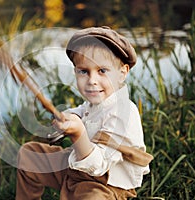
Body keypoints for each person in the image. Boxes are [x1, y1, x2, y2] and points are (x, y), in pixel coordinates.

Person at [15, 26, 150, 200]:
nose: (92, 81)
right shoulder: (96, 102)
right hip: (76, 168)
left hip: (106, 184)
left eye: (102, 71)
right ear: (75, 72)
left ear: (122, 73)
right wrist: (67, 118)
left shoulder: (124, 113)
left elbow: (98, 165)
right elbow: (80, 112)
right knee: (29, 154)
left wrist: (78, 134)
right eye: (84, 71)